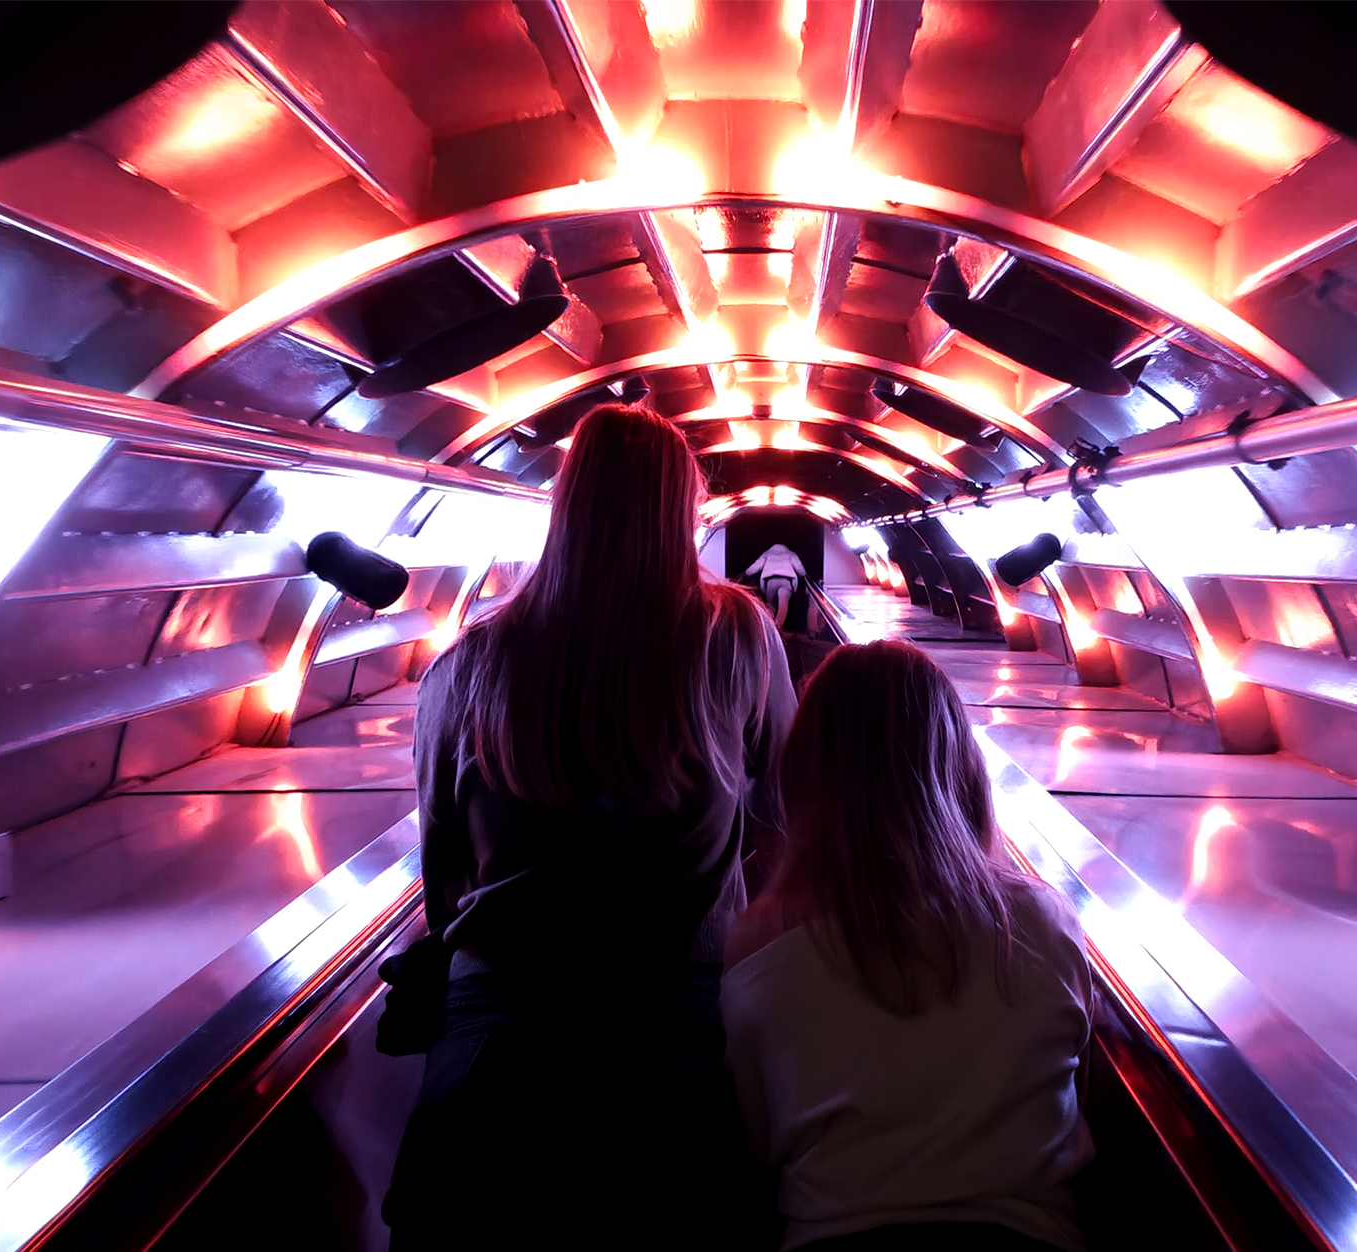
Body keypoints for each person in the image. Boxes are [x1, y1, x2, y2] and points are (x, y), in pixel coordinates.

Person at [385, 404, 797, 1250]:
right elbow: (787, 811)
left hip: (493, 1051)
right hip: (676, 1043)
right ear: (681, 511)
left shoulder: (469, 663)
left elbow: (442, 868)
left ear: (564, 504)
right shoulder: (735, 638)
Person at [722, 641, 1095, 1251]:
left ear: (806, 776)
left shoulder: (760, 943)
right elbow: (1074, 1090)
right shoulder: (1044, 920)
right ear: (961, 768)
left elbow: (761, 1146)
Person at [747, 542, 808, 628]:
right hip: (786, 581)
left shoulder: (767, 553)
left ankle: (768, 626)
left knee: (771, 605)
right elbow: (799, 567)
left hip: (771, 581)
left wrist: (746, 573)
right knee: (783, 603)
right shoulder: (790, 554)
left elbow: (756, 566)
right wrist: (804, 574)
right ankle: (778, 627)